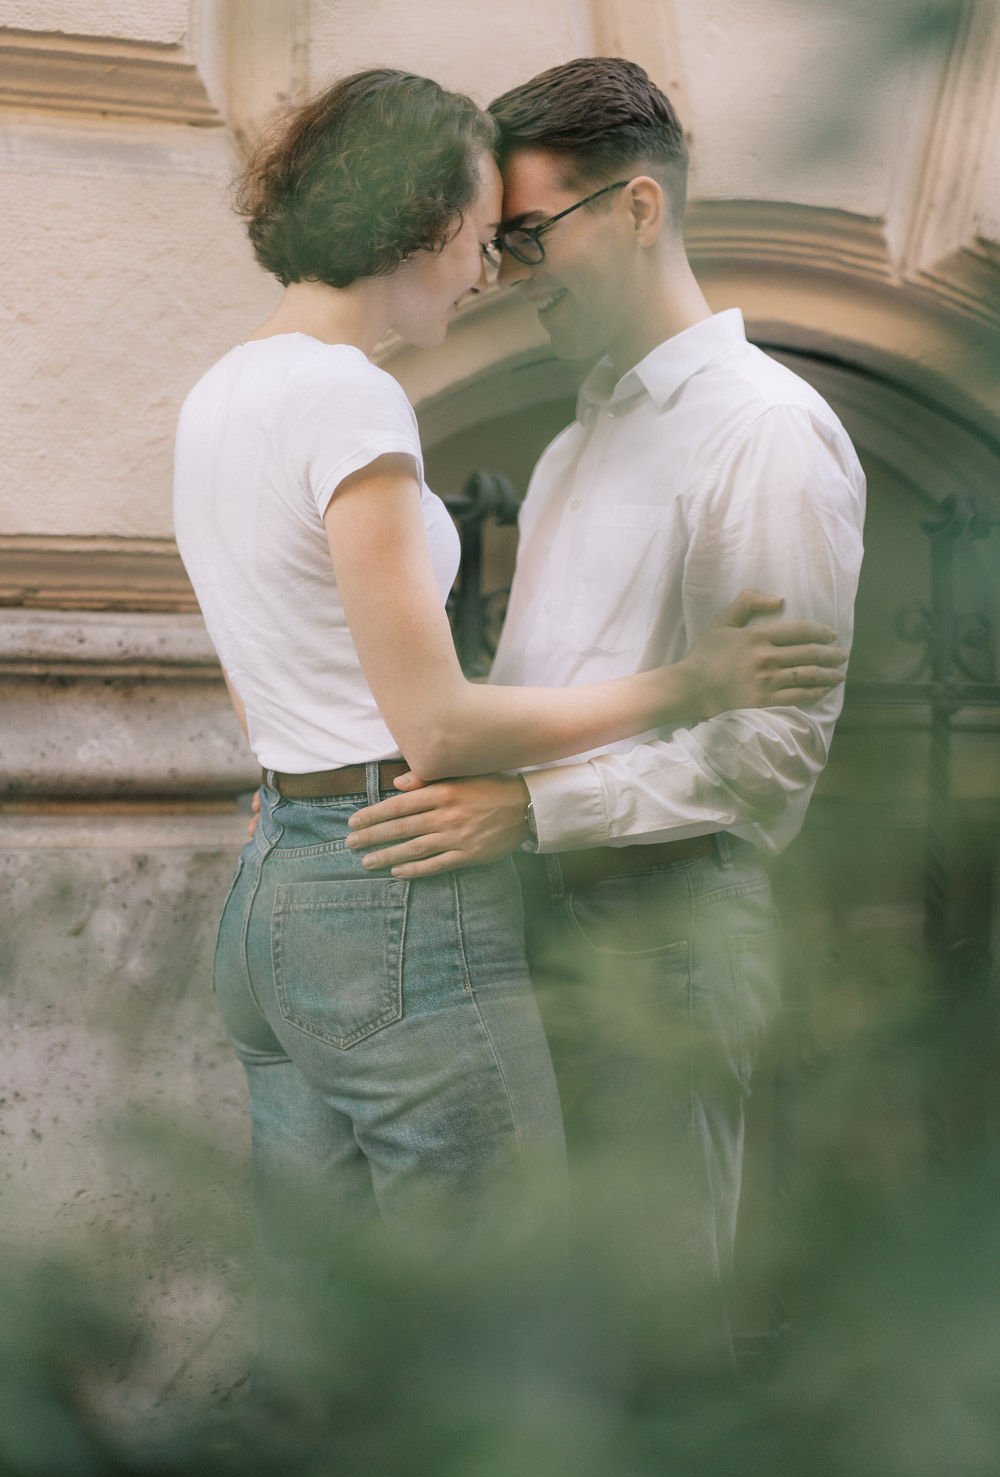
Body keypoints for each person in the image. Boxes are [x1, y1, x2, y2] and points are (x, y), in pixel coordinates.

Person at [175, 67, 844, 1372]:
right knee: (500, 1332)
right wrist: (686, 685)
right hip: (415, 884)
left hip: (360, 890)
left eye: (526, 237)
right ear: (419, 219)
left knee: (367, 1328)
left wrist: (472, 802)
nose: (496, 270)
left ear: (639, 209)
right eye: (490, 234)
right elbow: (443, 725)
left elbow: (777, 748)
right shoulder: (398, 407)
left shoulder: (223, 390)